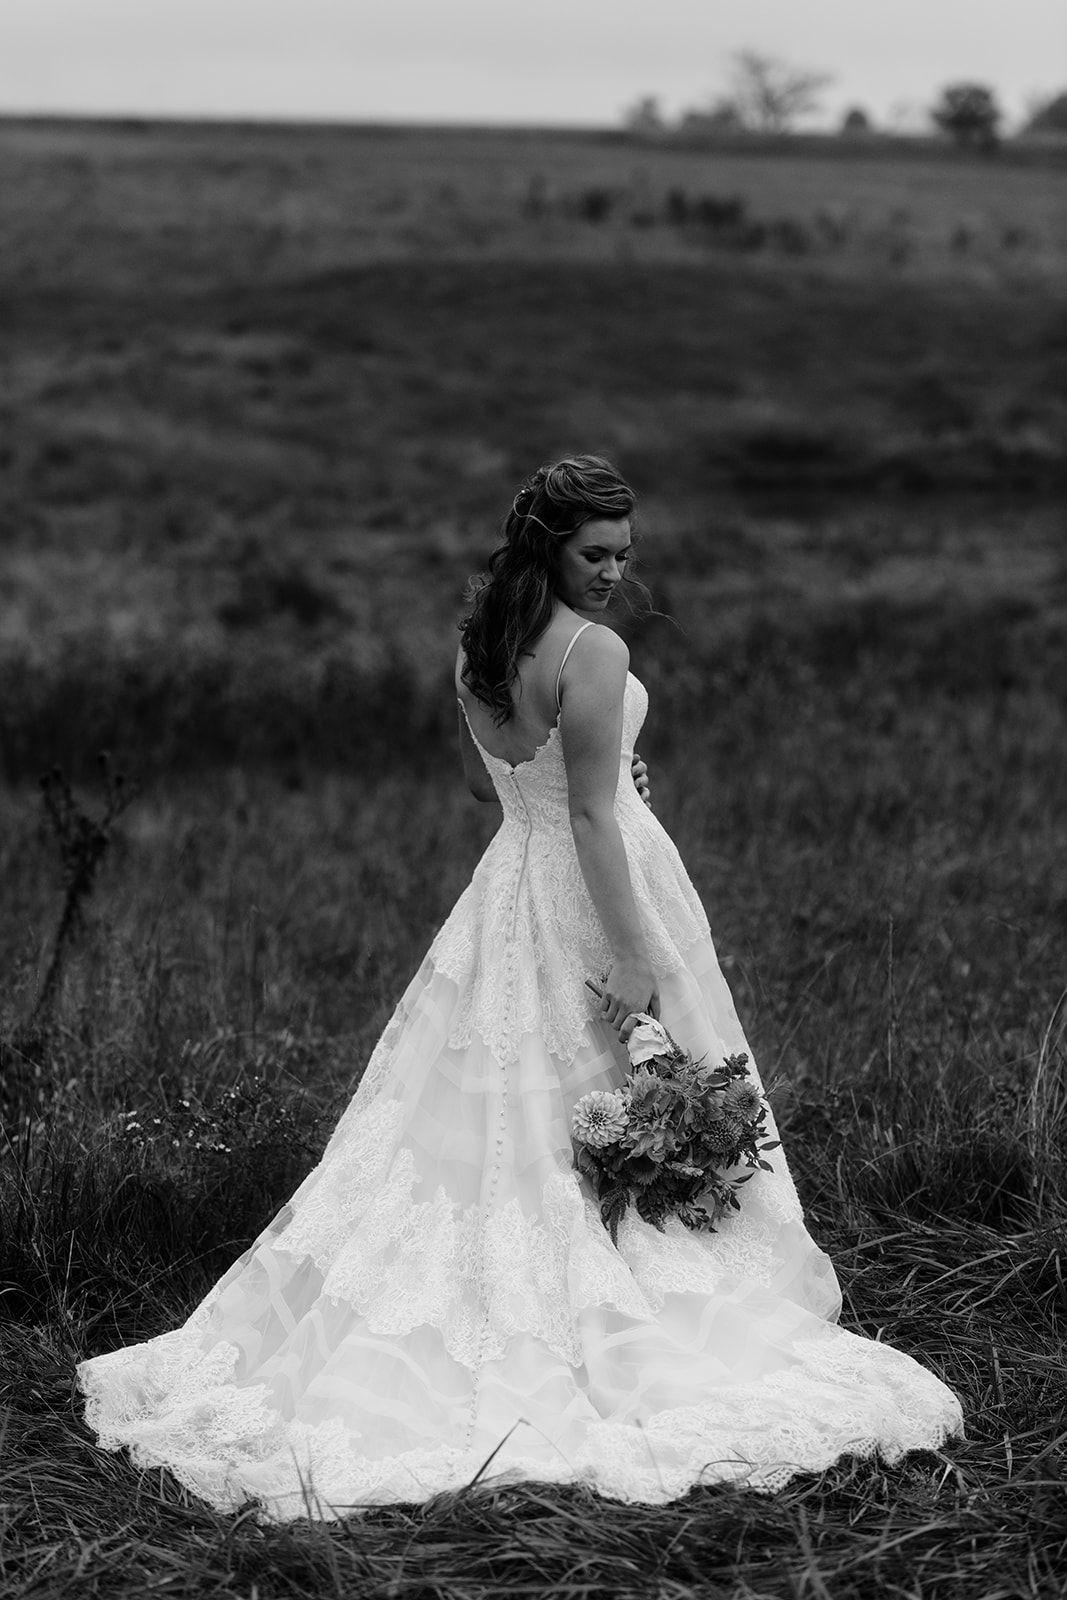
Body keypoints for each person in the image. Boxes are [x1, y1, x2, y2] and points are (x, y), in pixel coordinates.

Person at [77, 455, 962, 1518]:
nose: (614, 573)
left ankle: (595, 1251)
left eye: (626, 555)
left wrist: (597, 782)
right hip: (596, 884)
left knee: (517, 1105)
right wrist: (629, 952)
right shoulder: (593, 651)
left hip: (509, 880)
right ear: (547, 545)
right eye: (594, 553)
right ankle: (614, 1296)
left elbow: (508, 784)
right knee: (608, 1080)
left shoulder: (480, 644)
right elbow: (588, 819)